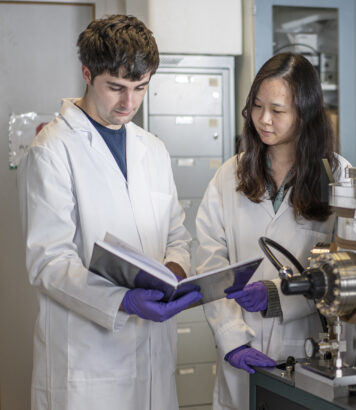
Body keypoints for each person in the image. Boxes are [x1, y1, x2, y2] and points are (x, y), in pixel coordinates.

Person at [18, 15, 202, 410]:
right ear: (87, 73)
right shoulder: (52, 150)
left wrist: (174, 272)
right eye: (116, 87)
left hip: (153, 356)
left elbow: (177, 235)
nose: (128, 103)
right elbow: (49, 262)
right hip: (87, 364)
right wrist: (124, 301)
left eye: (140, 88)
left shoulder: (152, 149)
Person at [195, 52, 351, 410]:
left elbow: (348, 272)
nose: (264, 120)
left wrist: (282, 297)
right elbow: (208, 263)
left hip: (305, 352)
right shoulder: (230, 175)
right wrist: (231, 340)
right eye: (257, 107)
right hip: (239, 347)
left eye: (278, 111)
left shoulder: (338, 177)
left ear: (305, 113)